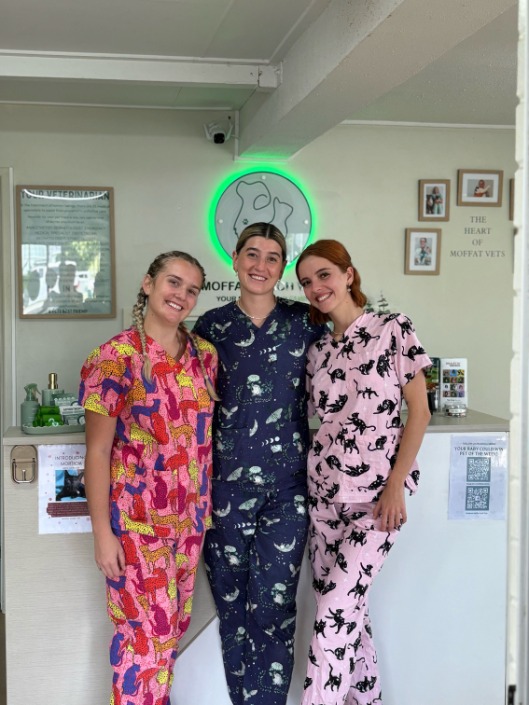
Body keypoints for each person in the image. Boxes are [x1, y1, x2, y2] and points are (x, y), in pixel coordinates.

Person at [193, 223, 326, 705]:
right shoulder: (210, 327)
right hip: (223, 490)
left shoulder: (306, 321)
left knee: (273, 609)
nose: (261, 265)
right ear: (235, 258)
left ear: (283, 266)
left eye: (273, 257)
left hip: (287, 489)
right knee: (232, 611)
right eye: (252, 254)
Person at [78, 250, 218, 705]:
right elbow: (97, 451)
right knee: (143, 643)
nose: (182, 295)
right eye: (174, 282)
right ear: (148, 283)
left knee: (168, 638)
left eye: (192, 289)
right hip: (137, 527)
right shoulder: (115, 357)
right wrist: (102, 533)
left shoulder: (204, 356)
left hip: (189, 525)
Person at [295, 239, 431, 705]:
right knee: (350, 615)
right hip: (324, 498)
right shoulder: (316, 352)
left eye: (323, 276)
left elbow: (421, 412)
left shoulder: (394, 328)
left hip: (376, 500)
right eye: (307, 283)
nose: (316, 288)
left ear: (348, 274)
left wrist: (395, 486)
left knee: (333, 612)